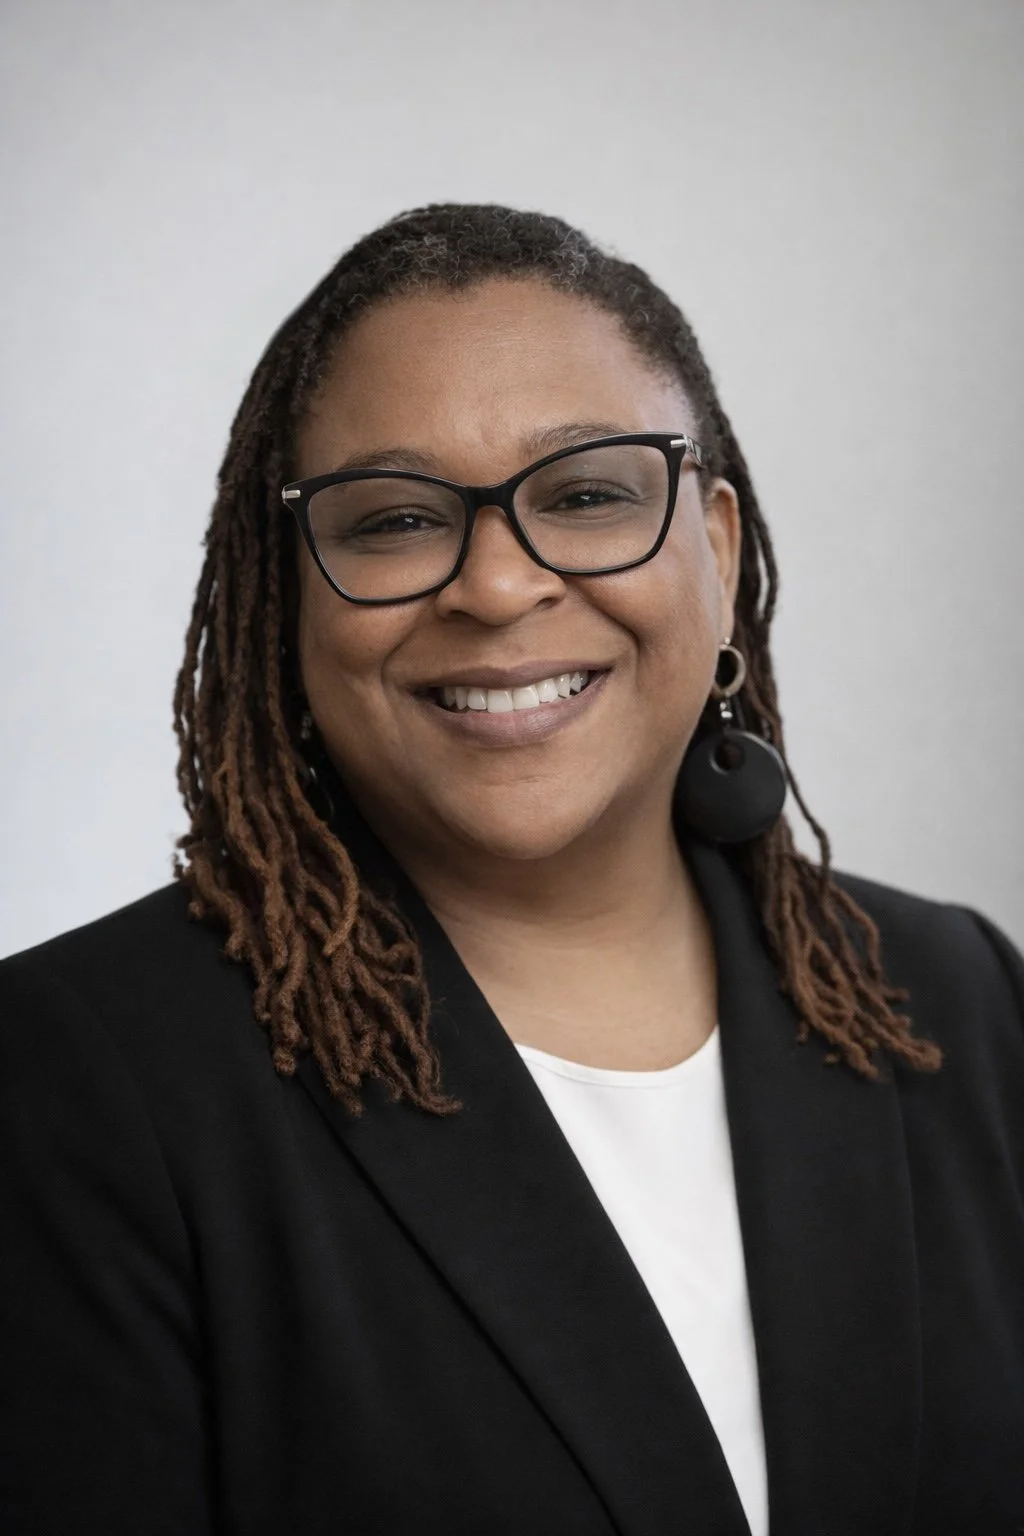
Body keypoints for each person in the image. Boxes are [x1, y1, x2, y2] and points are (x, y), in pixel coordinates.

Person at [1, 204, 1022, 1536]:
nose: (493, 585)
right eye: (394, 519)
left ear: (715, 550)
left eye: (588, 494)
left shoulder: (960, 1001)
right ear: (287, 595)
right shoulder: (74, 1081)